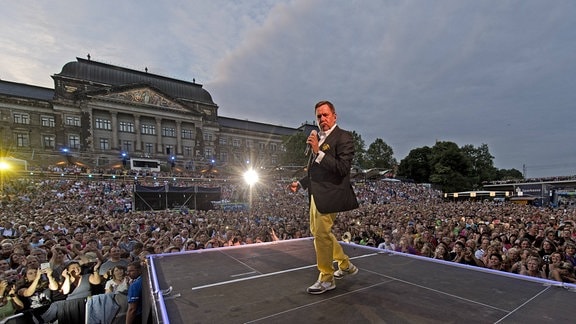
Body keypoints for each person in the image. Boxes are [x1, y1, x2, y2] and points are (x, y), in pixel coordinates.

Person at [289, 100, 359, 295]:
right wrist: (301, 183)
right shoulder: (318, 138)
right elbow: (316, 171)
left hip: (331, 194)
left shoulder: (343, 137)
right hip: (315, 194)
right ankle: (344, 264)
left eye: (325, 115)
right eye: (318, 116)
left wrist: (318, 151)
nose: (322, 119)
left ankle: (327, 278)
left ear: (334, 116)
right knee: (319, 232)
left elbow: (342, 169)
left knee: (321, 234)